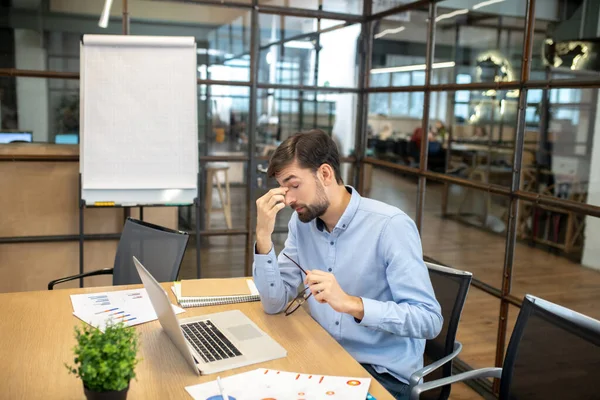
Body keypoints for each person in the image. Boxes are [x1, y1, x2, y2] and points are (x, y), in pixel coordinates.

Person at [252, 129, 443, 400]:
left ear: (325, 174)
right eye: (284, 189)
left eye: (294, 185)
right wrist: (262, 237)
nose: (289, 199)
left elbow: (429, 320)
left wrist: (353, 304)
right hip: (324, 359)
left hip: (380, 374)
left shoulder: (390, 227)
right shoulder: (302, 223)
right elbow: (273, 303)